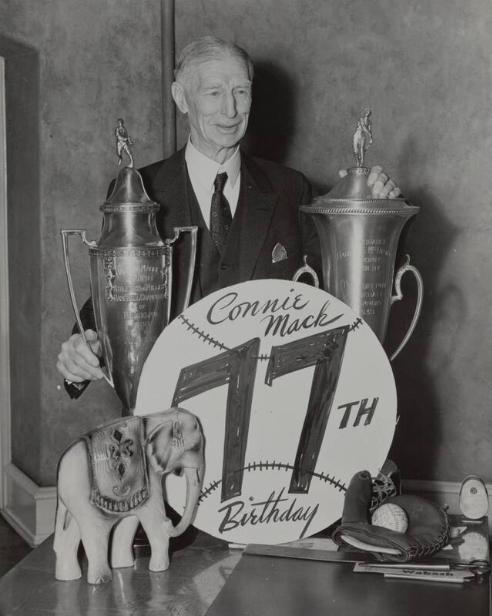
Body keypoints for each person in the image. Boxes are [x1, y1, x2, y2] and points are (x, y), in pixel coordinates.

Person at [57, 36, 400, 391]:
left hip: (274, 414)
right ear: (181, 98)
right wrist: (81, 350)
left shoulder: (290, 188)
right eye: (214, 93)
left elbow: (348, 284)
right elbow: (110, 297)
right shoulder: (140, 189)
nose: (230, 110)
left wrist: (376, 209)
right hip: (172, 423)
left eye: (241, 91)